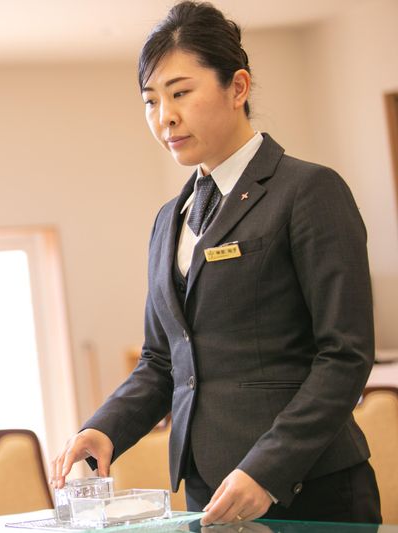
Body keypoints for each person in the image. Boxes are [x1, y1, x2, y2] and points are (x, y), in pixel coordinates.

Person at [50, 0, 381, 525]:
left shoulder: (308, 191)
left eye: (180, 92)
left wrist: (268, 470)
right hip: (210, 487)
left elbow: (345, 355)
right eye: (151, 100)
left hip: (308, 483)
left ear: (238, 87)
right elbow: (162, 359)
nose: (165, 116)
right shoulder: (169, 219)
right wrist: (105, 427)